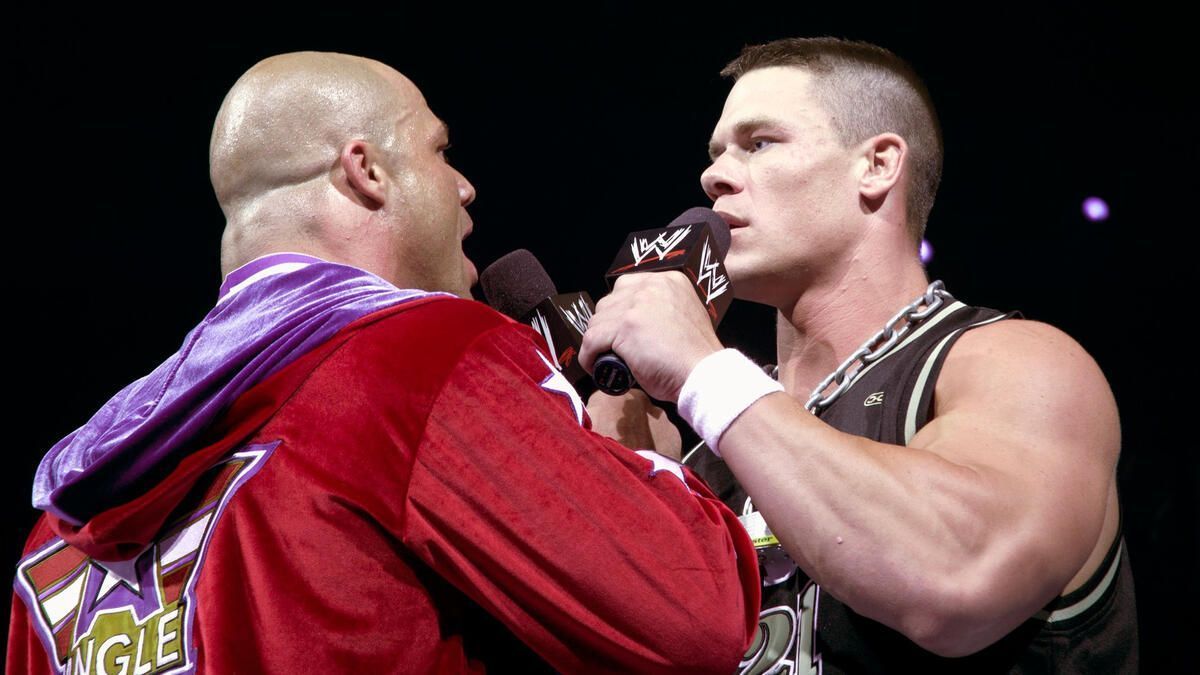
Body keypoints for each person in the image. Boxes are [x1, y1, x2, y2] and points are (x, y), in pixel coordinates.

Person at [7, 52, 761, 674]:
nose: (465, 187)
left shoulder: (62, 525)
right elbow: (695, 618)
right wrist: (635, 463)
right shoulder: (416, 358)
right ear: (364, 170)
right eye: (438, 151)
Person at [580, 37, 1136, 672]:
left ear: (876, 166)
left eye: (760, 143)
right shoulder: (714, 443)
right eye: (715, 154)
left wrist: (704, 372)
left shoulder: (1014, 362)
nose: (714, 176)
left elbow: (956, 580)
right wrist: (633, 494)